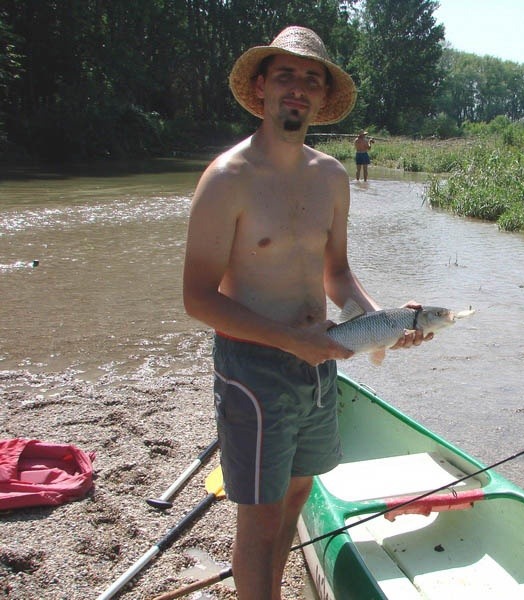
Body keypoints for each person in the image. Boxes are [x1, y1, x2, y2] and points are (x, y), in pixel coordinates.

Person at [182, 26, 432, 600]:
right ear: (263, 86)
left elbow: (337, 274)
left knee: (295, 501)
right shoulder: (227, 180)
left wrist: (385, 323)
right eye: (287, 75)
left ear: (321, 98)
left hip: (320, 363)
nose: (298, 88)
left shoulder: (332, 177)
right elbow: (198, 298)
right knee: (261, 521)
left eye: (311, 79)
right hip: (253, 370)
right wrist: (290, 342)